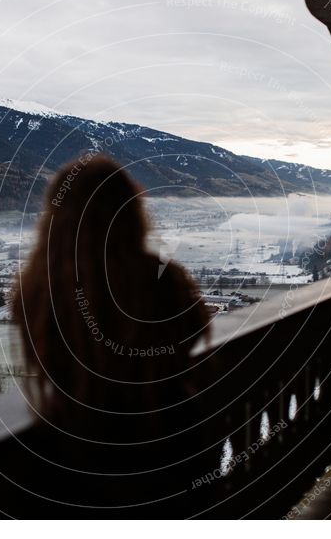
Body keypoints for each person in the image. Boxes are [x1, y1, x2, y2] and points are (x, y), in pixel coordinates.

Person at [12, 154, 213, 517]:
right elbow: (198, 332)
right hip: (167, 446)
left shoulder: (34, 290)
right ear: (130, 211)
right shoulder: (161, 279)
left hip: (73, 458)